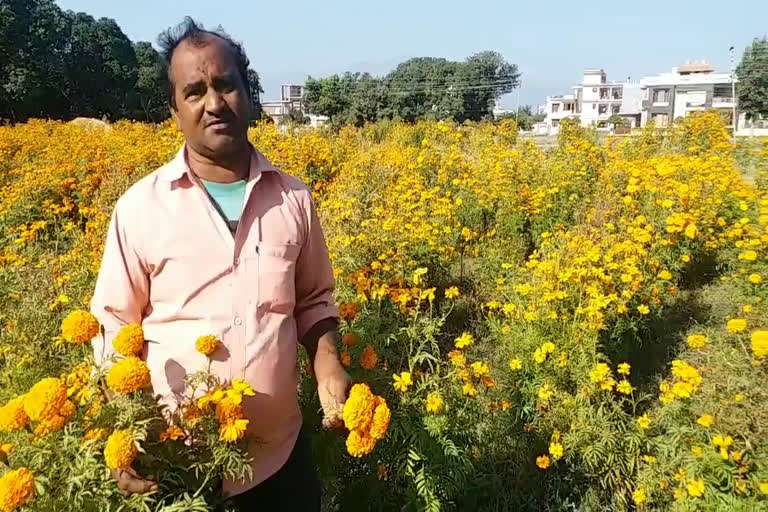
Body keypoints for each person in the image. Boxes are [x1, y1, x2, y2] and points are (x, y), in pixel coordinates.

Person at [90, 17, 350, 511]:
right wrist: (123, 431)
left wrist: (328, 363)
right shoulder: (140, 207)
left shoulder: (293, 198)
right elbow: (111, 329)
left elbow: (315, 302)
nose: (213, 103)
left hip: (280, 464)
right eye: (194, 91)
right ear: (175, 110)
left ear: (247, 92)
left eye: (225, 84)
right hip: (178, 466)